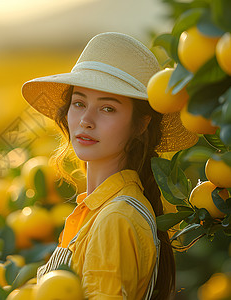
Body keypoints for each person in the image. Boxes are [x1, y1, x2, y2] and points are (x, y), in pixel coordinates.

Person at [21, 32, 198, 299]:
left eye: (107, 109)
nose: (86, 120)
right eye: (79, 103)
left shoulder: (115, 219)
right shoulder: (103, 208)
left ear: (141, 124)